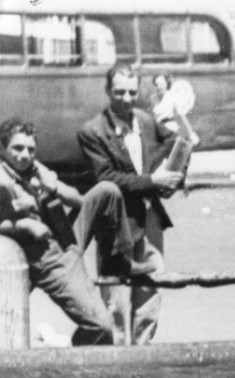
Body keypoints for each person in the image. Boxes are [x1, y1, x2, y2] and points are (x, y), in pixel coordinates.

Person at [0, 118, 159, 346]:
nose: (24, 155)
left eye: (30, 149)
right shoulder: (2, 180)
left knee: (107, 191)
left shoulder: (32, 167)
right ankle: (75, 358)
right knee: (102, 328)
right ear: (2, 149)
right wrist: (24, 226)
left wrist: (53, 186)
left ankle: (118, 260)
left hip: (65, 235)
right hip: (50, 262)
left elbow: (78, 200)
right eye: (17, 148)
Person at [78, 64, 182, 345]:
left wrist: (174, 172)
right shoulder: (92, 131)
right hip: (116, 224)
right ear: (107, 91)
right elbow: (107, 178)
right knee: (117, 302)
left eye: (132, 92)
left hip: (150, 221)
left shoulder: (145, 121)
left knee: (149, 295)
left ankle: (143, 358)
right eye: (119, 92)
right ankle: (118, 365)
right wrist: (153, 180)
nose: (126, 98)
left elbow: (175, 140)